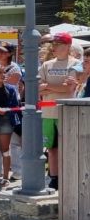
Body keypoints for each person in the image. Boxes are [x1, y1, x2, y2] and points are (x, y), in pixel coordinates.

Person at [39, 32, 81, 190]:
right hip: (48, 112)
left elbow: (68, 89)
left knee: (66, 148)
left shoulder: (76, 63)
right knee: (51, 148)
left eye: (58, 44)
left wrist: (48, 86)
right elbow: (37, 88)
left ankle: (67, 178)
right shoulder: (46, 64)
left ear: (68, 46)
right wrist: (56, 88)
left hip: (66, 112)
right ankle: (54, 178)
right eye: (53, 44)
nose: (54, 47)